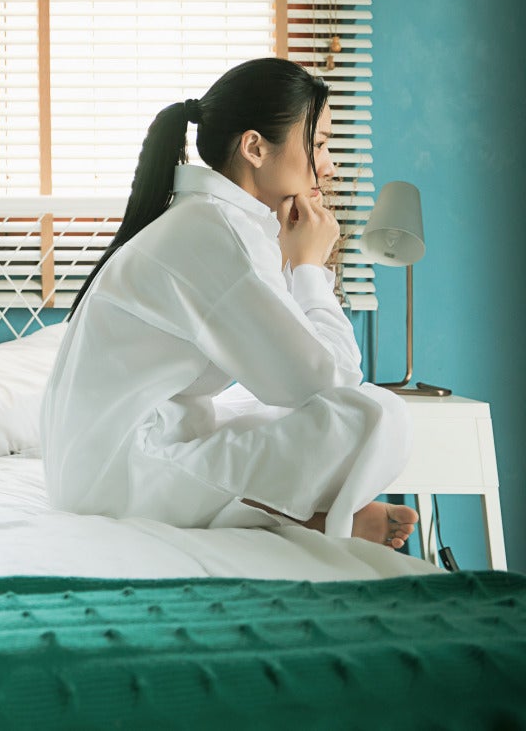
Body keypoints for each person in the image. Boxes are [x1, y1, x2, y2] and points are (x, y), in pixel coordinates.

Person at [40, 57, 417, 548]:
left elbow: (298, 373)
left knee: (324, 411)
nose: (329, 163)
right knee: (376, 415)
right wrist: (308, 266)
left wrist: (293, 257)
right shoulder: (217, 233)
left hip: (105, 462)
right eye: (319, 143)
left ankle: (294, 515)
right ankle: (306, 518)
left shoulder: (220, 223)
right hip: (119, 475)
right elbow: (329, 378)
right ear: (255, 147)